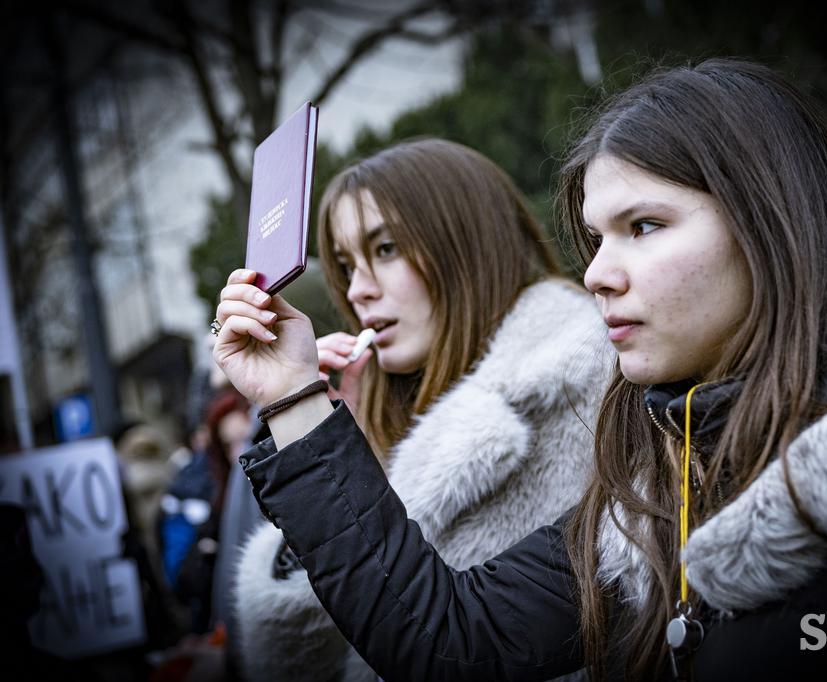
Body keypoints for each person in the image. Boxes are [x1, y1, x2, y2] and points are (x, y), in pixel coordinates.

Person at [213, 60, 827, 681]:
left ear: (771, 222)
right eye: (596, 238)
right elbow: (449, 637)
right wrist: (294, 396)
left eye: (644, 225)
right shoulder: (650, 463)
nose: (598, 270)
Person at [227, 139, 611, 681]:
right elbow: (306, 653)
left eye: (385, 250)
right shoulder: (370, 405)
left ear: (468, 244)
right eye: (345, 264)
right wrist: (329, 444)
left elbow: (447, 639)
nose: (359, 290)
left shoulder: (588, 381)